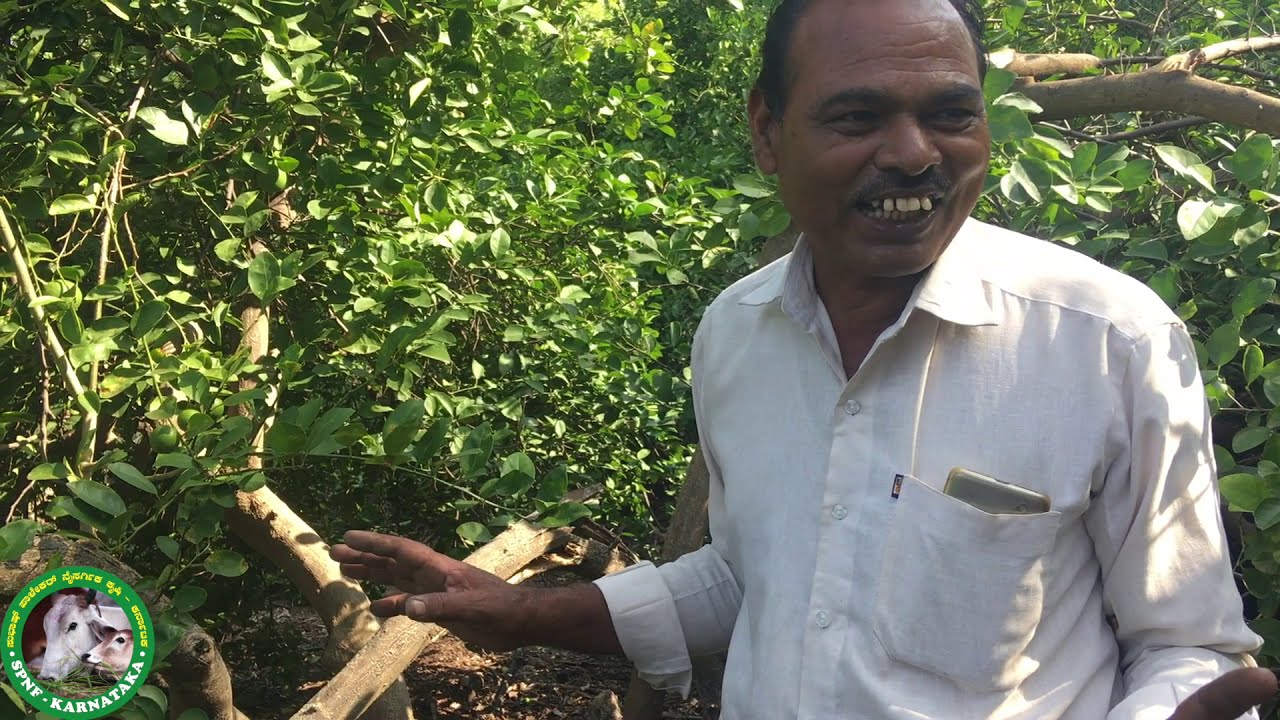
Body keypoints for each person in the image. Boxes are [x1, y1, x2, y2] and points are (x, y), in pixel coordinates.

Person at [331, 0, 1278, 717]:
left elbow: (1186, 645)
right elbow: (756, 578)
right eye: (855, 118)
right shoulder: (737, 333)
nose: (914, 154)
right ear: (765, 133)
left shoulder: (1109, 340)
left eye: (951, 114)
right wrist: (531, 613)